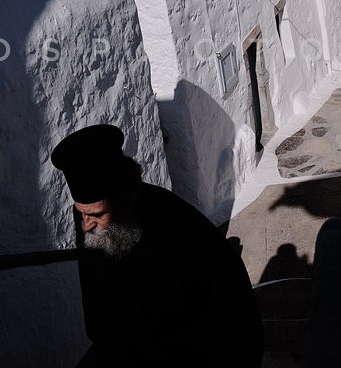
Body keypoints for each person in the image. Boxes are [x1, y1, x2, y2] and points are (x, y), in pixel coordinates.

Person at [50, 124, 264, 368]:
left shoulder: (177, 228)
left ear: (124, 203)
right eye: (81, 213)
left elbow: (225, 318)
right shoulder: (90, 219)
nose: (86, 225)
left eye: (97, 214)